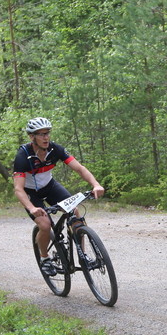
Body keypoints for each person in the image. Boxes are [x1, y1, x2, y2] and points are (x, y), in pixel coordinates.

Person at [13, 117, 105, 275]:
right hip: (30, 193)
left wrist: (95, 184)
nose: (45, 137)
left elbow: (80, 168)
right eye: (41, 134)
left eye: (47, 133)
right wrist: (31, 208)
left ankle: (82, 256)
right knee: (45, 224)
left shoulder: (55, 150)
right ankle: (45, 258)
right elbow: (18, 189)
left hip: (50, 187)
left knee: (75, 214)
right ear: (32, 137)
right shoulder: (23, 156)